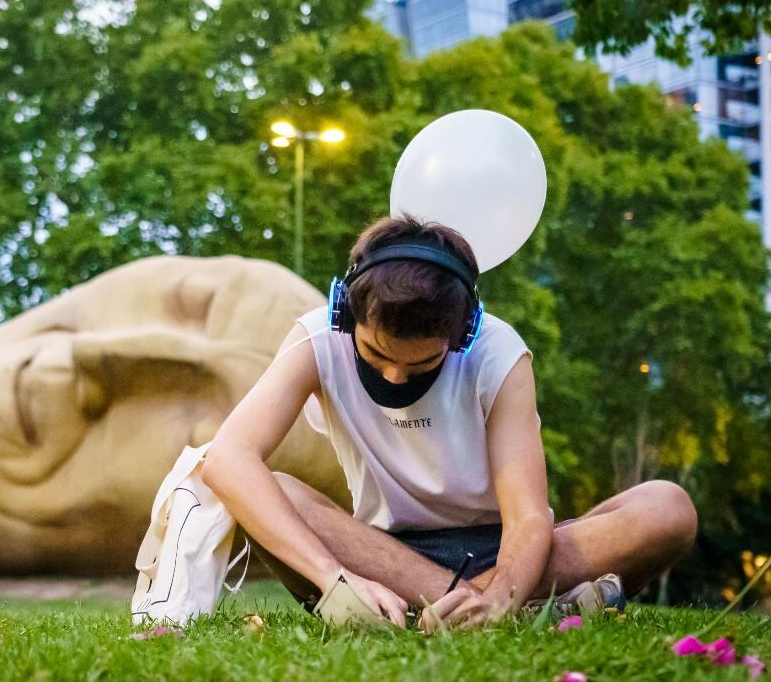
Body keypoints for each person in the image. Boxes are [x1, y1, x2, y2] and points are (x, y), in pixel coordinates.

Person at [202, 215, 698, 632]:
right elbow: (227, 458)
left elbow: (528, 517)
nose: (395, 374)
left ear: (462, 333)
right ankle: (532, 609)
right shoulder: (317, 338)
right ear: (346, 312)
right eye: (375, 353)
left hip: (503, 551)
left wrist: (503, 589)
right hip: (380, 551)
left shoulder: (498, 352)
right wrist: (334, 578)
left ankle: (480, 609)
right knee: (275, 493)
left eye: (421, 364)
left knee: (667, 507)